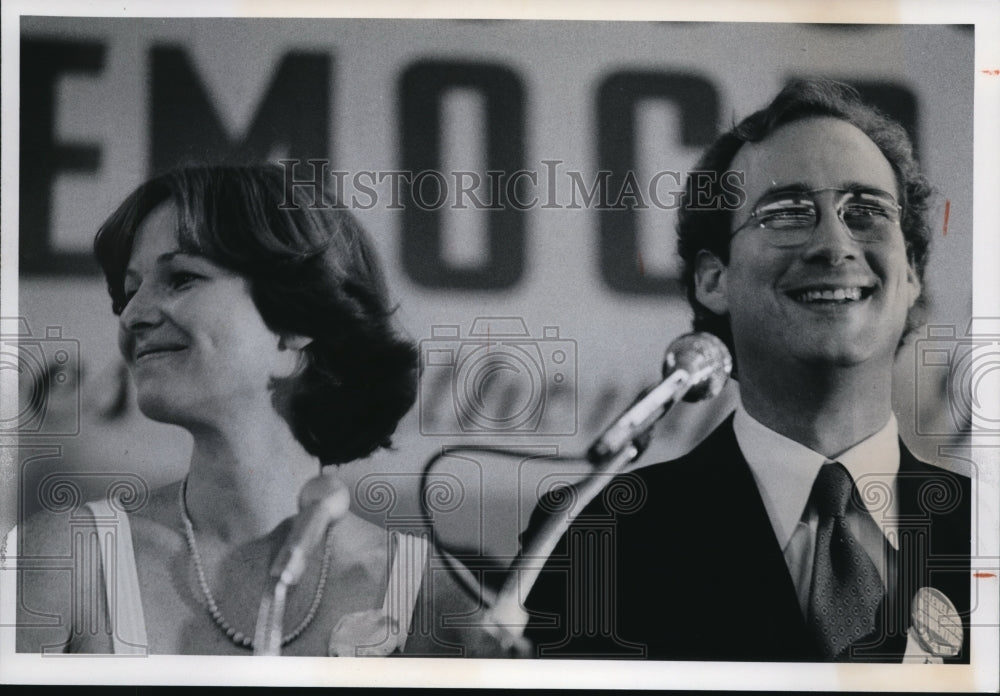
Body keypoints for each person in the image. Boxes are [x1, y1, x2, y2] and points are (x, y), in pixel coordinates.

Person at [521, 80, 971, 663]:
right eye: (786, 213)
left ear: (911, 275)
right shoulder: (596, 538)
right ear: (714, 280)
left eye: (866, 212)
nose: (835, 244)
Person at [12, 164, 500, 656]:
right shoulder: (62, 560)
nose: (133, 315)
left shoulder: (432, 599)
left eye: (181, 278)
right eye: (130, 289)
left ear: (296, 322)